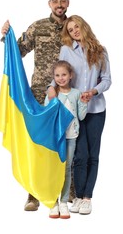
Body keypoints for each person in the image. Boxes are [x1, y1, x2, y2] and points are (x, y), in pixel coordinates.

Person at [0, 0, 72, 211]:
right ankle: (33, 194)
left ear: (67, 3)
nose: (59, 4)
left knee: (69, 138)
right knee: (37, 141)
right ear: (49, 4)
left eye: (62, 1)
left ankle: (68, 191)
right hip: (40, 91)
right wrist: (6, 36)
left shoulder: (74, 27)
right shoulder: (38, 27)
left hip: (68, 91)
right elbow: (18, 49)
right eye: (55, 1)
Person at [48, 15, 112, 215]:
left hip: (96, 110)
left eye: (77, 27)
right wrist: (51, 88)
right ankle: (76, 197)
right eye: (70, 29)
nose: (74, 31)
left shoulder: (100, 51)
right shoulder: (66, 50)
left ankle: (87, 197)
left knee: (93, 155)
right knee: (79, 155)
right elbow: (61, 73)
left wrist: (93, 91)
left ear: (84, 27)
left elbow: (107, 80)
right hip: (74, 112)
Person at [45, 61, 87, 219]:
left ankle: (63, 201)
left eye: (64, 75)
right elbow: (47, 114)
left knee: (67, 168)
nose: (61, 78)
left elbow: (81, 117)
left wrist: (83, 103)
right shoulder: (52, 93)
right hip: (55, 138)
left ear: (71, 76)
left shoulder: (76, 93)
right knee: (53, 168)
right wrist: (51, 100)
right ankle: (53, 202)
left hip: (71, 137)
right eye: (57, 75)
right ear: (53, 77)